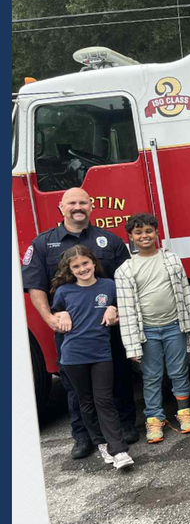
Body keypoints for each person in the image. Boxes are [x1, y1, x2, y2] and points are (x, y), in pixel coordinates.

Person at [22, 187, 138, 457]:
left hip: (107, 329)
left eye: (83, 203)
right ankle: (83, 436)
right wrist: (50, 317)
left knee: (119, 375)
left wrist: (116, 308)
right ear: (61, 208)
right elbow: (35, 285)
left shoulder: (110, 241)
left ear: (91, 206)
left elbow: (126, 282)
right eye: (72, 203)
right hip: (70, 332)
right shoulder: (43, 244)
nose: (78, 207)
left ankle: (125, 425)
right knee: (75, 387)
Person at [115, 212, 190, 444]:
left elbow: (185, 294)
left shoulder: (171, 260)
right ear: (131, 237)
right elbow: (126, 310)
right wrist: (132, 345)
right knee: (152, 376)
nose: (144, 236)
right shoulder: (125, 270)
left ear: (156, 233)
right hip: (147, 332)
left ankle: (184, 412)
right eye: (138, 232)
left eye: (148, 231)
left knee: (179, 371)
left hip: (174, 327)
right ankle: (154, 419)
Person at [49, 246, 133, 469]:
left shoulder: (108, 286)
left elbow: (126, 308)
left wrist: (113, 308)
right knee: (86, 402)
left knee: (104, 400)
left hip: (101, 354)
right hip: (73, 356)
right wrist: (61, 313)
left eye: (85, 263)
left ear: (94, 263)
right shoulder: (64, 291)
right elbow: (56, 313)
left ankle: (119, 450)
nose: (82, 269)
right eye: (76, 266)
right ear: (70, 270)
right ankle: (101, 442)